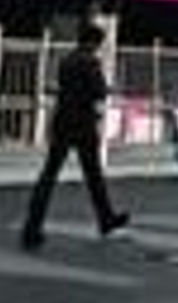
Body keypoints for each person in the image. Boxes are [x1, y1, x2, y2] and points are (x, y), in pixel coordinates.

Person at [21, 22, 130, 249]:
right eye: (98, 43)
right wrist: (107, 88)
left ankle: (32, 227)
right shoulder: (90, 61)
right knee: (94, 176)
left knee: (48, 176)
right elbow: (99, 91)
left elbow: (64, 88)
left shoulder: (66, 60)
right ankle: (106, 219)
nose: (99, 47)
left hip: (62, 122)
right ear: (93, 42)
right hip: (83, 124)